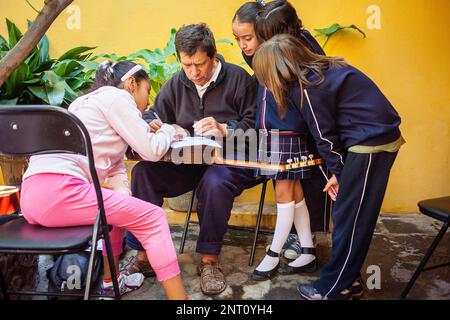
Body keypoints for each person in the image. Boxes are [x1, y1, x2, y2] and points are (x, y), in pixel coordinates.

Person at [20, 61, 188, 300]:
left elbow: (115, 175)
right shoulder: (118, 98)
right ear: (132, 84)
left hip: (31, 197)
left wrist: (128, 207)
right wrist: (168, 130)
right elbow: (152, 151)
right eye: (146, 91)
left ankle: (111, 283)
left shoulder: (83, 103)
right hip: (62, 192)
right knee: (154, 218)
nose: (148, 101)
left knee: (116, 211)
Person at [252, 34, 404, 299]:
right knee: (351, 215)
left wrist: (340, 174)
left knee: (350, 220)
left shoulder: (307, 87)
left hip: (369, 143)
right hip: (371, 138)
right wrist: (339, 174)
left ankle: (333, 288)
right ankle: (351, 280)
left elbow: (324, 138)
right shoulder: (322, 70)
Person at [124, 23, 259, 296]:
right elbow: (153, 115)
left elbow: (256, 127)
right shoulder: (177, 83)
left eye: (199, 64)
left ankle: (209, 261)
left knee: (215, 182)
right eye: (187, 65)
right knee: (143, 173)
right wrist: (160, 127)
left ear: (213, 56)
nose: (194, 72)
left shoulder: (239, 79)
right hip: (189, 163)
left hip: (230, 163)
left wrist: (225, 129)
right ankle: (142, 256)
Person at [232, 0, 328, 262]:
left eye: (248, 37)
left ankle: (298, 240)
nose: (243, 45)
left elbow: (313, 86)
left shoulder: (300, 45)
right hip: (274, 132)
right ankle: (303, 243)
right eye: (237, 38)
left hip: (303, 125)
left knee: (308, 182)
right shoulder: (253, 52)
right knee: (288, 186)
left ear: (266, 31)